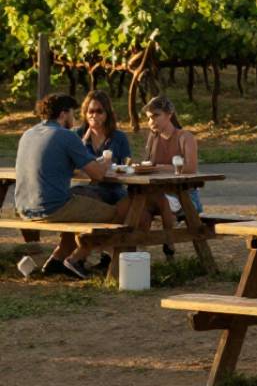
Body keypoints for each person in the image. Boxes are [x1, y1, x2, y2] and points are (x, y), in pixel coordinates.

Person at [14, 94, 116, 279]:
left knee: (79, 202)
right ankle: (79, 259)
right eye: (73, 113)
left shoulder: (28, 133)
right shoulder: (66, 135)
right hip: (51, 208)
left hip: (23, 208)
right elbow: (97, 174)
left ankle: (57, 260)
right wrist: (106, 162)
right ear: (64, 114)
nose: (75, 118)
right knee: (116, 213)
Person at [139, 96, 202, 261]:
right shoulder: (154, 138)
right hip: (159, 193)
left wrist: (161, 168)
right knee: (140, 206)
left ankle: (169, 242)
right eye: (149, 118)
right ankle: (137, 252)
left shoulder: (184, 137)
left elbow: (191, 167)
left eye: (156, 116)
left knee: (157, 200)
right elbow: (149, 164)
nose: (152, 121)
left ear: (169, 114)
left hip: (185, 196)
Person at [75, 90, 132, 206]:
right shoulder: (77, 135)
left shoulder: (119, 137)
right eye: (90, 111)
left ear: (107, 113)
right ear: (85, 113)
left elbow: (128, 164)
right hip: (85, 187)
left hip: (112, 188)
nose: (94, 115)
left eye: (99, 111)